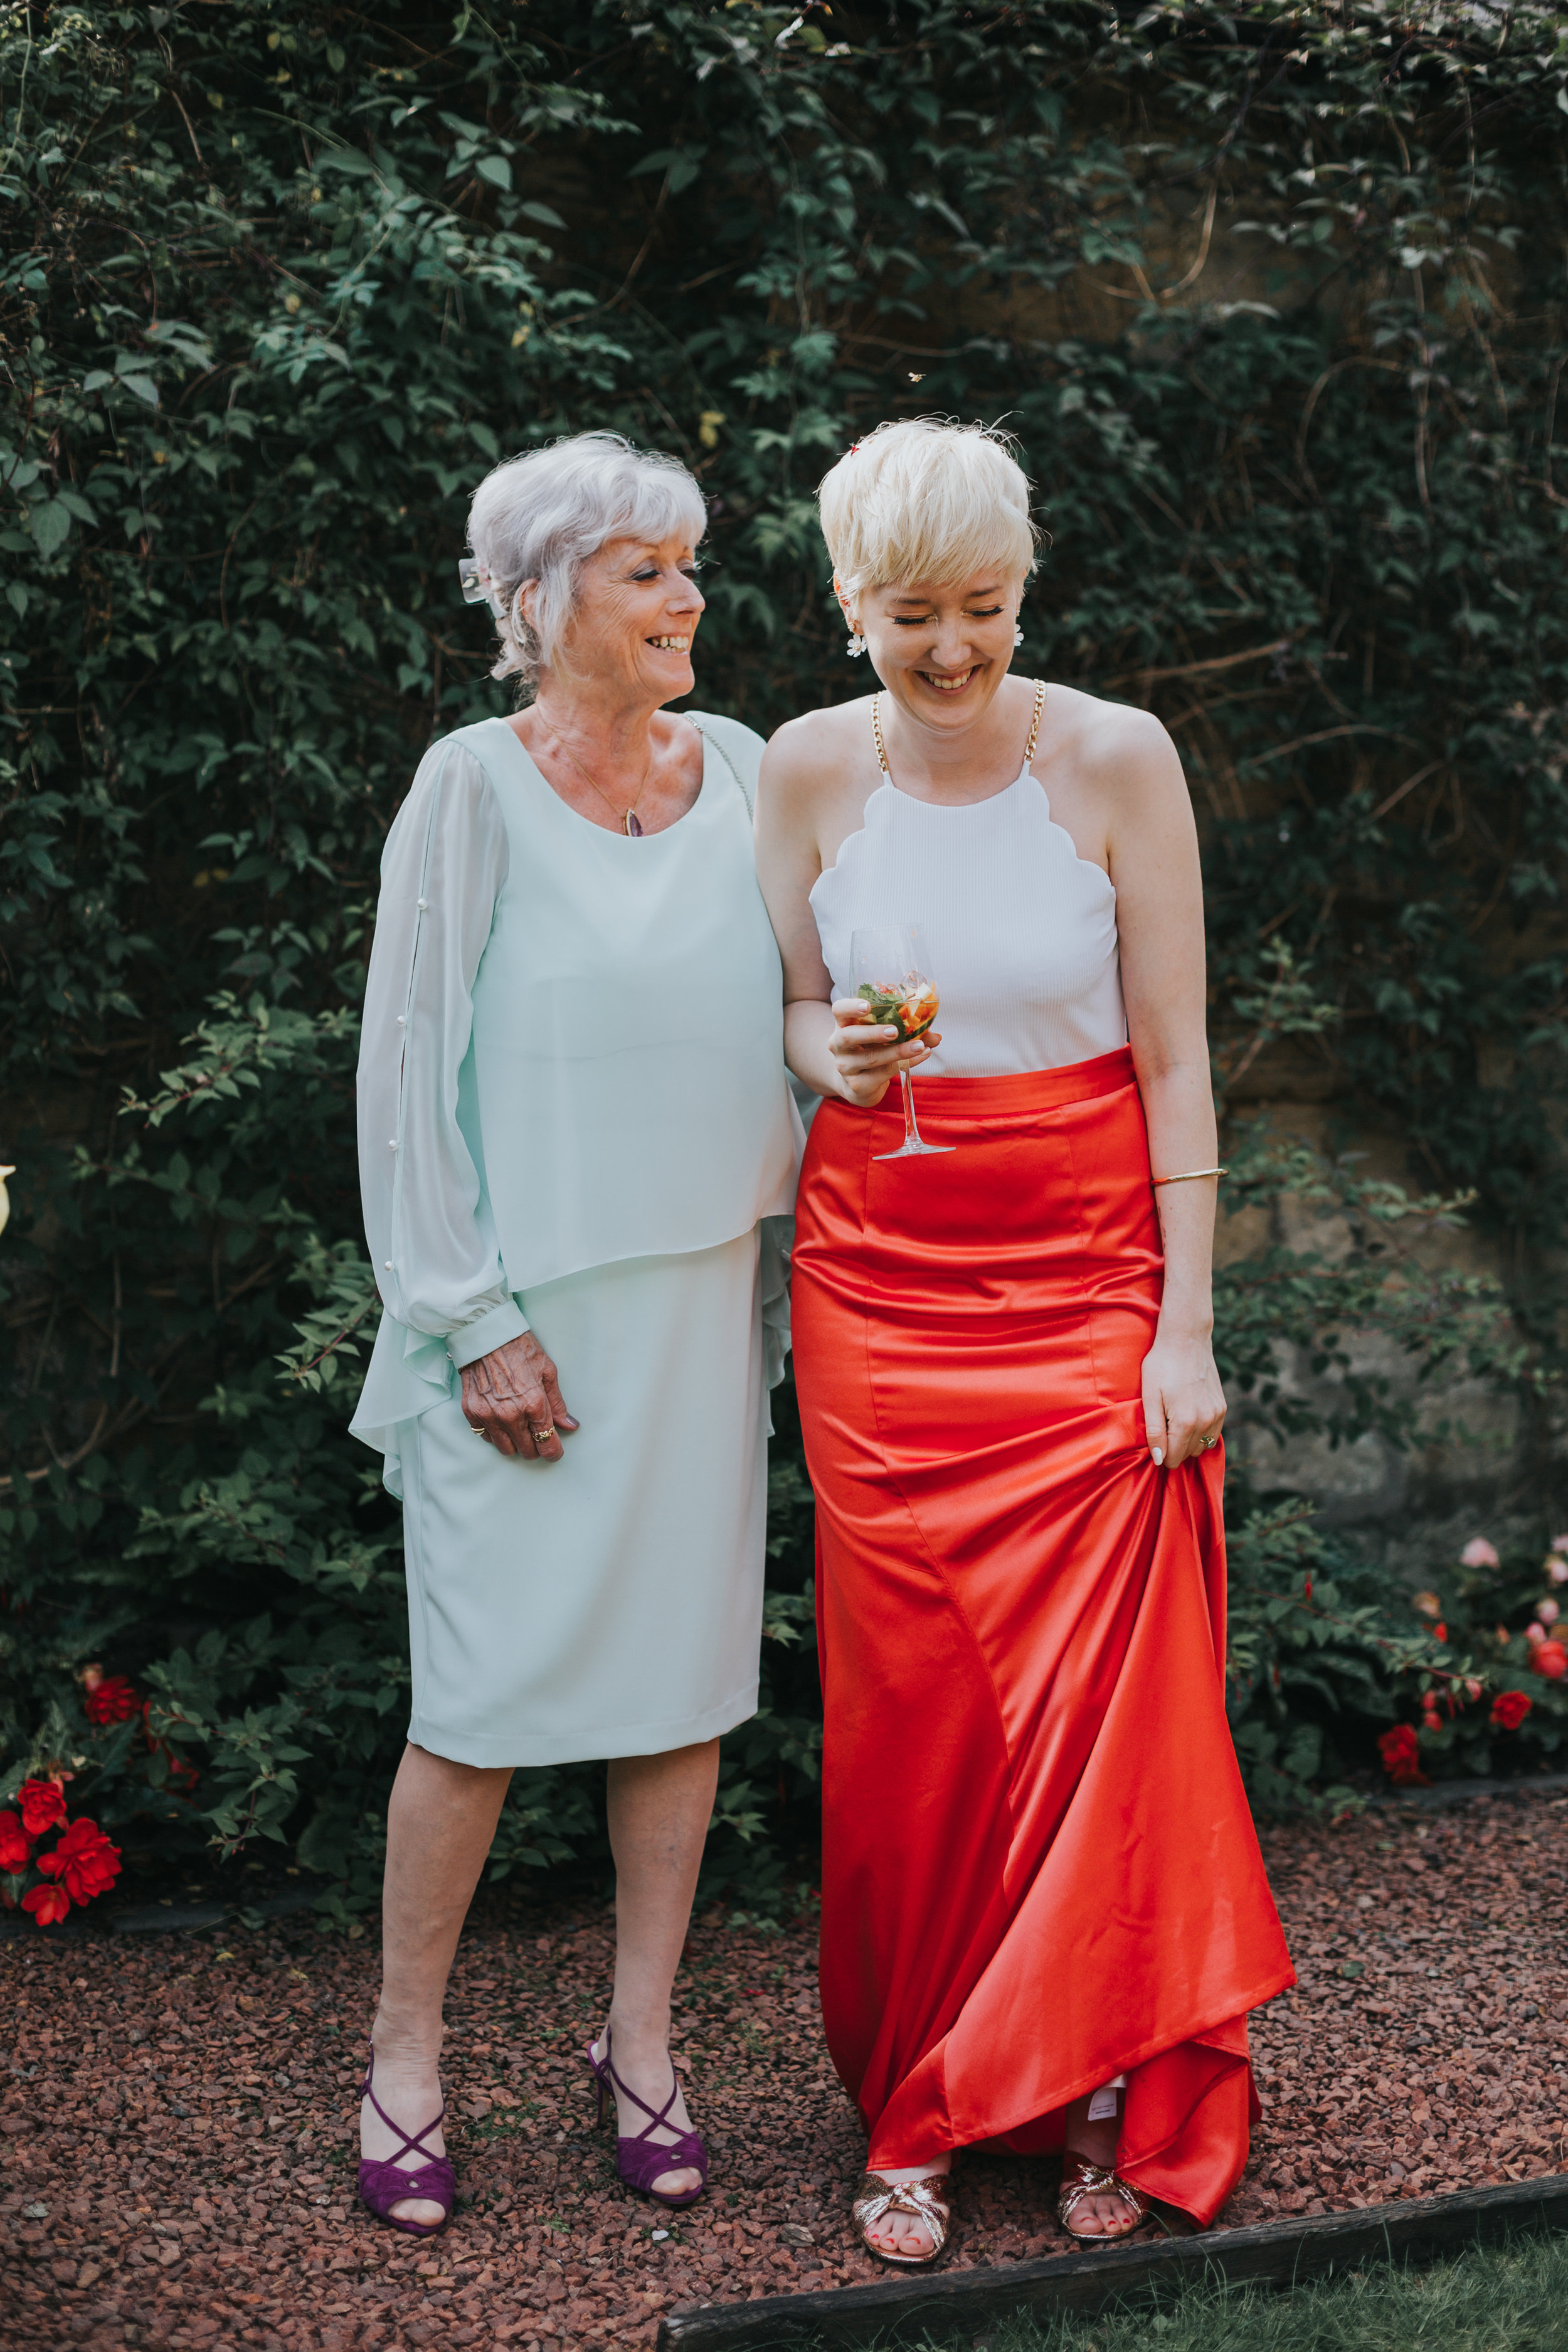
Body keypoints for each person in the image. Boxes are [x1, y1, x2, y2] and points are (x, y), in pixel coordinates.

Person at [755, 418, 1293, 2264]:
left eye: (983, 608)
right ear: (848, 607)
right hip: (880, 1296)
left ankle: (1078, 2087)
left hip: (1083, 1284)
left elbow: (1174, 1059)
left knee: (1098, 1722)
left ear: (1022, 588)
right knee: (916, 1720)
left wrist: (1183, 1327)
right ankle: (913, 2098)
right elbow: (798, 1024)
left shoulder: (1117, 759)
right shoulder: (807, 774)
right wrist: (825, 1051)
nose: (955, 649)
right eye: (912, 615)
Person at [349, 431, 800, 2235]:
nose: (688, 597)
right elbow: (402, 1078)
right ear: (541, 602)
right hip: (520, 1320)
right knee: (477, 1705)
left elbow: (803, 1019)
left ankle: (641, 2046)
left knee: (677, 1701)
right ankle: (402, 2059)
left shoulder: (759, 771)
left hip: (702, 1302)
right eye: (644, 570)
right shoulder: (468, 788)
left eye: (689, 565)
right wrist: (468, 1317)